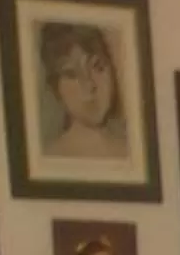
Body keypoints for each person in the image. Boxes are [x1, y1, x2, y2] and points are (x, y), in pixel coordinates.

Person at [38, 21, 127, 160]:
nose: (89, 86)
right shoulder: (49, 157)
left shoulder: (130, 152)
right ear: (55, 87)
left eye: (98, 67)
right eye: (71, 74)